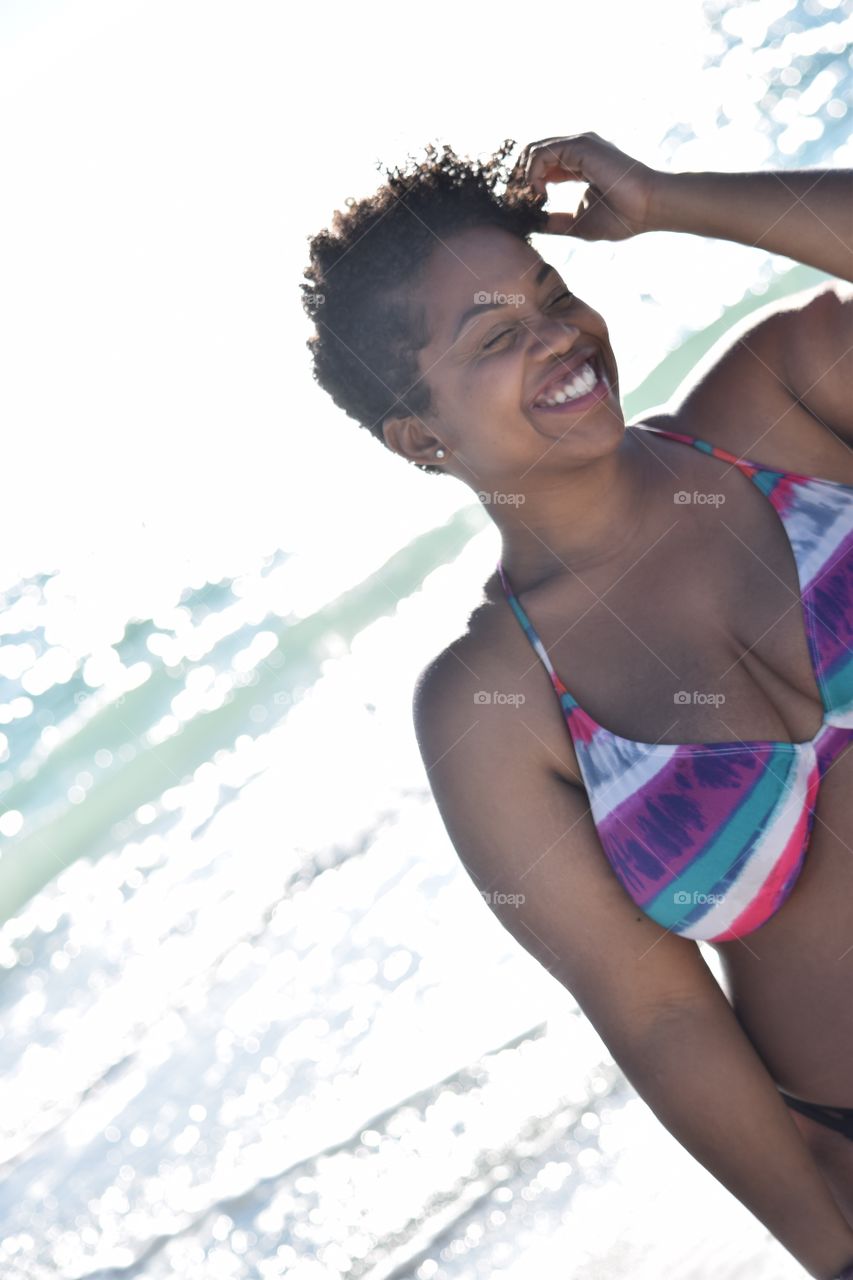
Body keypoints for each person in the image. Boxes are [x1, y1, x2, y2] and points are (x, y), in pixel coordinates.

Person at [300, 132, 853, 1279]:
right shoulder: (493, 708)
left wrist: (668, 198)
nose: (555, 333)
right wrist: (832, 1248)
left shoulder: (778, 406)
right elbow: (660, 1019)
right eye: (496, 335)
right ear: (420, 439)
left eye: (549, 294)